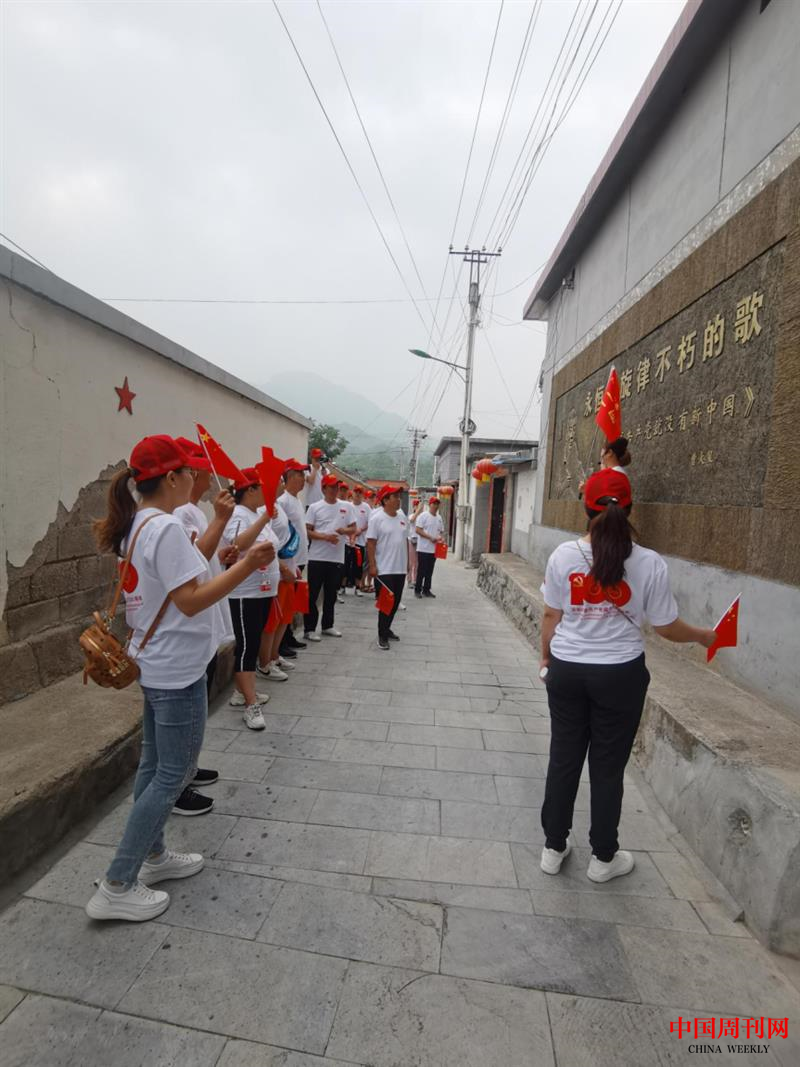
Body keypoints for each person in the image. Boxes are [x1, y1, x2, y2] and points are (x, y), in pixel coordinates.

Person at [85, 435, 275, 922]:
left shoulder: (139, 523)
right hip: (176, 668)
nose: (195, 476)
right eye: (188, 470)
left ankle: (153, 855)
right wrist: (249, 564)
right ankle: (117, 883)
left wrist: (223, 538)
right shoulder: (165, 527)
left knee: (153, 767)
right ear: (171, 478)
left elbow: (183, 582)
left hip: (155, 661)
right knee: (174, 774)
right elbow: (190, 600)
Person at [538, 468, 716, 883]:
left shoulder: (563, 556)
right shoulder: (649, 562)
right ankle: (603, 858)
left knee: (564, 758)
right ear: (631, 508)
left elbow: (550, 615)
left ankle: (553, 847)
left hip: (567, 670)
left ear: (585, 508)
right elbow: (666, 627)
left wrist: (546, 657)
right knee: (607, 766)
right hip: (620, 676)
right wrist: (704, 636)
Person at [171, 438, 236, 815]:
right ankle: (178, 784)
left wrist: (222, 556)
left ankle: (188, 769)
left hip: (204, 622)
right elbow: (190, 565)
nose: (211, 477)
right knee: (186, 714)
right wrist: (221, 521)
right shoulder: (177, 517)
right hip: (188, 627)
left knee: (198, 708)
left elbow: (204, 558)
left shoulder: (193, 512)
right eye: (204, 469)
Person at [220, 468, 282, 729]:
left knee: (252, 643)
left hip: (263, 590)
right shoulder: (238, 514)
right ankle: (250, 704)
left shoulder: (257, 514)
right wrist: (265, 517)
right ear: (251, 490)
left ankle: (241, 691)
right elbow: (239, 544)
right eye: (262, 488)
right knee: (247, 646)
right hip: (245, 592)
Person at [304, 474, 356, 640]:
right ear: (323, 489)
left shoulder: (346, 506)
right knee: (313, 594)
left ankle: (327, 625)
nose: (334, 490)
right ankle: (309, 629)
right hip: (317, 557)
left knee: (331, 594)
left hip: (336, 558)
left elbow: (353, 528)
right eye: (331, 487)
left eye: (336, 487)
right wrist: (325, 537)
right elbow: (307, 531)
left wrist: (344, 531)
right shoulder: (314, 507)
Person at [366, 485, 408, 650]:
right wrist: (372, 565)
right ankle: (382, 636)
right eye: (395, 497)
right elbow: (371, 543)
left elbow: (404, 540)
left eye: (399, 496)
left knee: (395, 602)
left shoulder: (402, 516)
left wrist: (408, 563)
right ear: (385, 500)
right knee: (386, 603)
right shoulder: (377, 518)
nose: (398, 499)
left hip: (400, 568)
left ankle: (387, 628)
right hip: (384, 568)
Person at [277, 458, 310, 656]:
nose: (303, 478)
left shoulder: (296, 500)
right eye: (300, 474)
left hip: (299, 560)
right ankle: (280, 644)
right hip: (289, 560)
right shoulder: (282, 501)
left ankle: (287, 637)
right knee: (284, 603)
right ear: (289, 476)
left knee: (291, 603)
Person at [415, 496, 445, 598]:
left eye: (437, 504)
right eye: (434, 504)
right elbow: (418, 530)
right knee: (421, 571)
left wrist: (441, 538)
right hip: (423, 548)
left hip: (434, 549)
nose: (436, 506)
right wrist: (430, 537)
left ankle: (426, 590)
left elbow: (440, 532)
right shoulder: (423, 516)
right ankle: (417, 590)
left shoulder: (439, 518)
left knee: (429, 571)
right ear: (429, 504)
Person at [347, 484, 370, 596]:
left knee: (359, 565)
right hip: (348, 541)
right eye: (356, 492)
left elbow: (370, 522)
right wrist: (351, 533)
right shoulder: (348, 506)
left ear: (363, 495)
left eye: (360, 492)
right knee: (346, 564)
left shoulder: (366, 507)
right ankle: (342, 587)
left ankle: (358, 587)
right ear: (353, 493)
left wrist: (361, 529)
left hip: (360, 541)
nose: (358, 494)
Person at [406, 497, 424, 588]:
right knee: (410, 562)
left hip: (420, 541)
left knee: (417, 563)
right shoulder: (411, 516)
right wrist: (418, 511)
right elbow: (412, 520)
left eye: (418, 505)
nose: (417, 507)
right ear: (413, 507)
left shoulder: (422, 517)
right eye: (416, 505)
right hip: (411, 540)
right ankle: (409, 580)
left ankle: (415, 580)